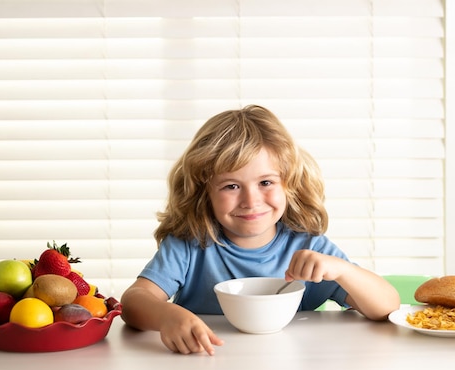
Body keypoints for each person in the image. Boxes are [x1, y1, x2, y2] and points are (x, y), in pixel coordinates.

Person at [120, 105, 400, 355]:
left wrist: (343, 270)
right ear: (203, 192)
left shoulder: (309, 246)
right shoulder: (189, 245)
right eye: (231, 186)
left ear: (289, 184)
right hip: (207, 367)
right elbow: (133, 302)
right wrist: (167, 315)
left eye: (266, 182)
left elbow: (387, 308)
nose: (251, 201)